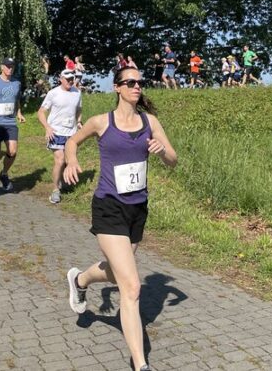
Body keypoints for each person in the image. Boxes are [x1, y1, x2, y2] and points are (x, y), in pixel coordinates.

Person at [64, 67, 177, 371]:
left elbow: (173, 160)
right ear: (117, 87)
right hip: (109, 207)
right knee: (132, 287)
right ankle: (140, 364)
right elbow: (72, 142)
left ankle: (79, 279)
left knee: (116, 275)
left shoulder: (149, 122)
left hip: (137, 209)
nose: (137, 86)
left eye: (140, 82)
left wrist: (161, 149)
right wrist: (71, 161)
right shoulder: (101, 122)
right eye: (131, 82)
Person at [37, 69, 82, 203]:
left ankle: (63, 181)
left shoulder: (77, 93)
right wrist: (47, 128)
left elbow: (79, 109)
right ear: (60, 79)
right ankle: (55, 190)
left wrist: (79, 121)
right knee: (60, 159)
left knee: (69, 160)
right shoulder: (53, 93)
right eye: (67, 79)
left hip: (71, 133)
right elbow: (41, 112)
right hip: (56, 132)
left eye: (71, 79)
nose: (70, 81)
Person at [0, 58, 25, 194]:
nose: (10, 68)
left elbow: (17, 100)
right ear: (2, 67)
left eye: (12, 66)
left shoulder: (17, 83)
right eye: (7, 66)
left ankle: (4, 173)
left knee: (12, 151)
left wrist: (19, 112)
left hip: (10, 122)